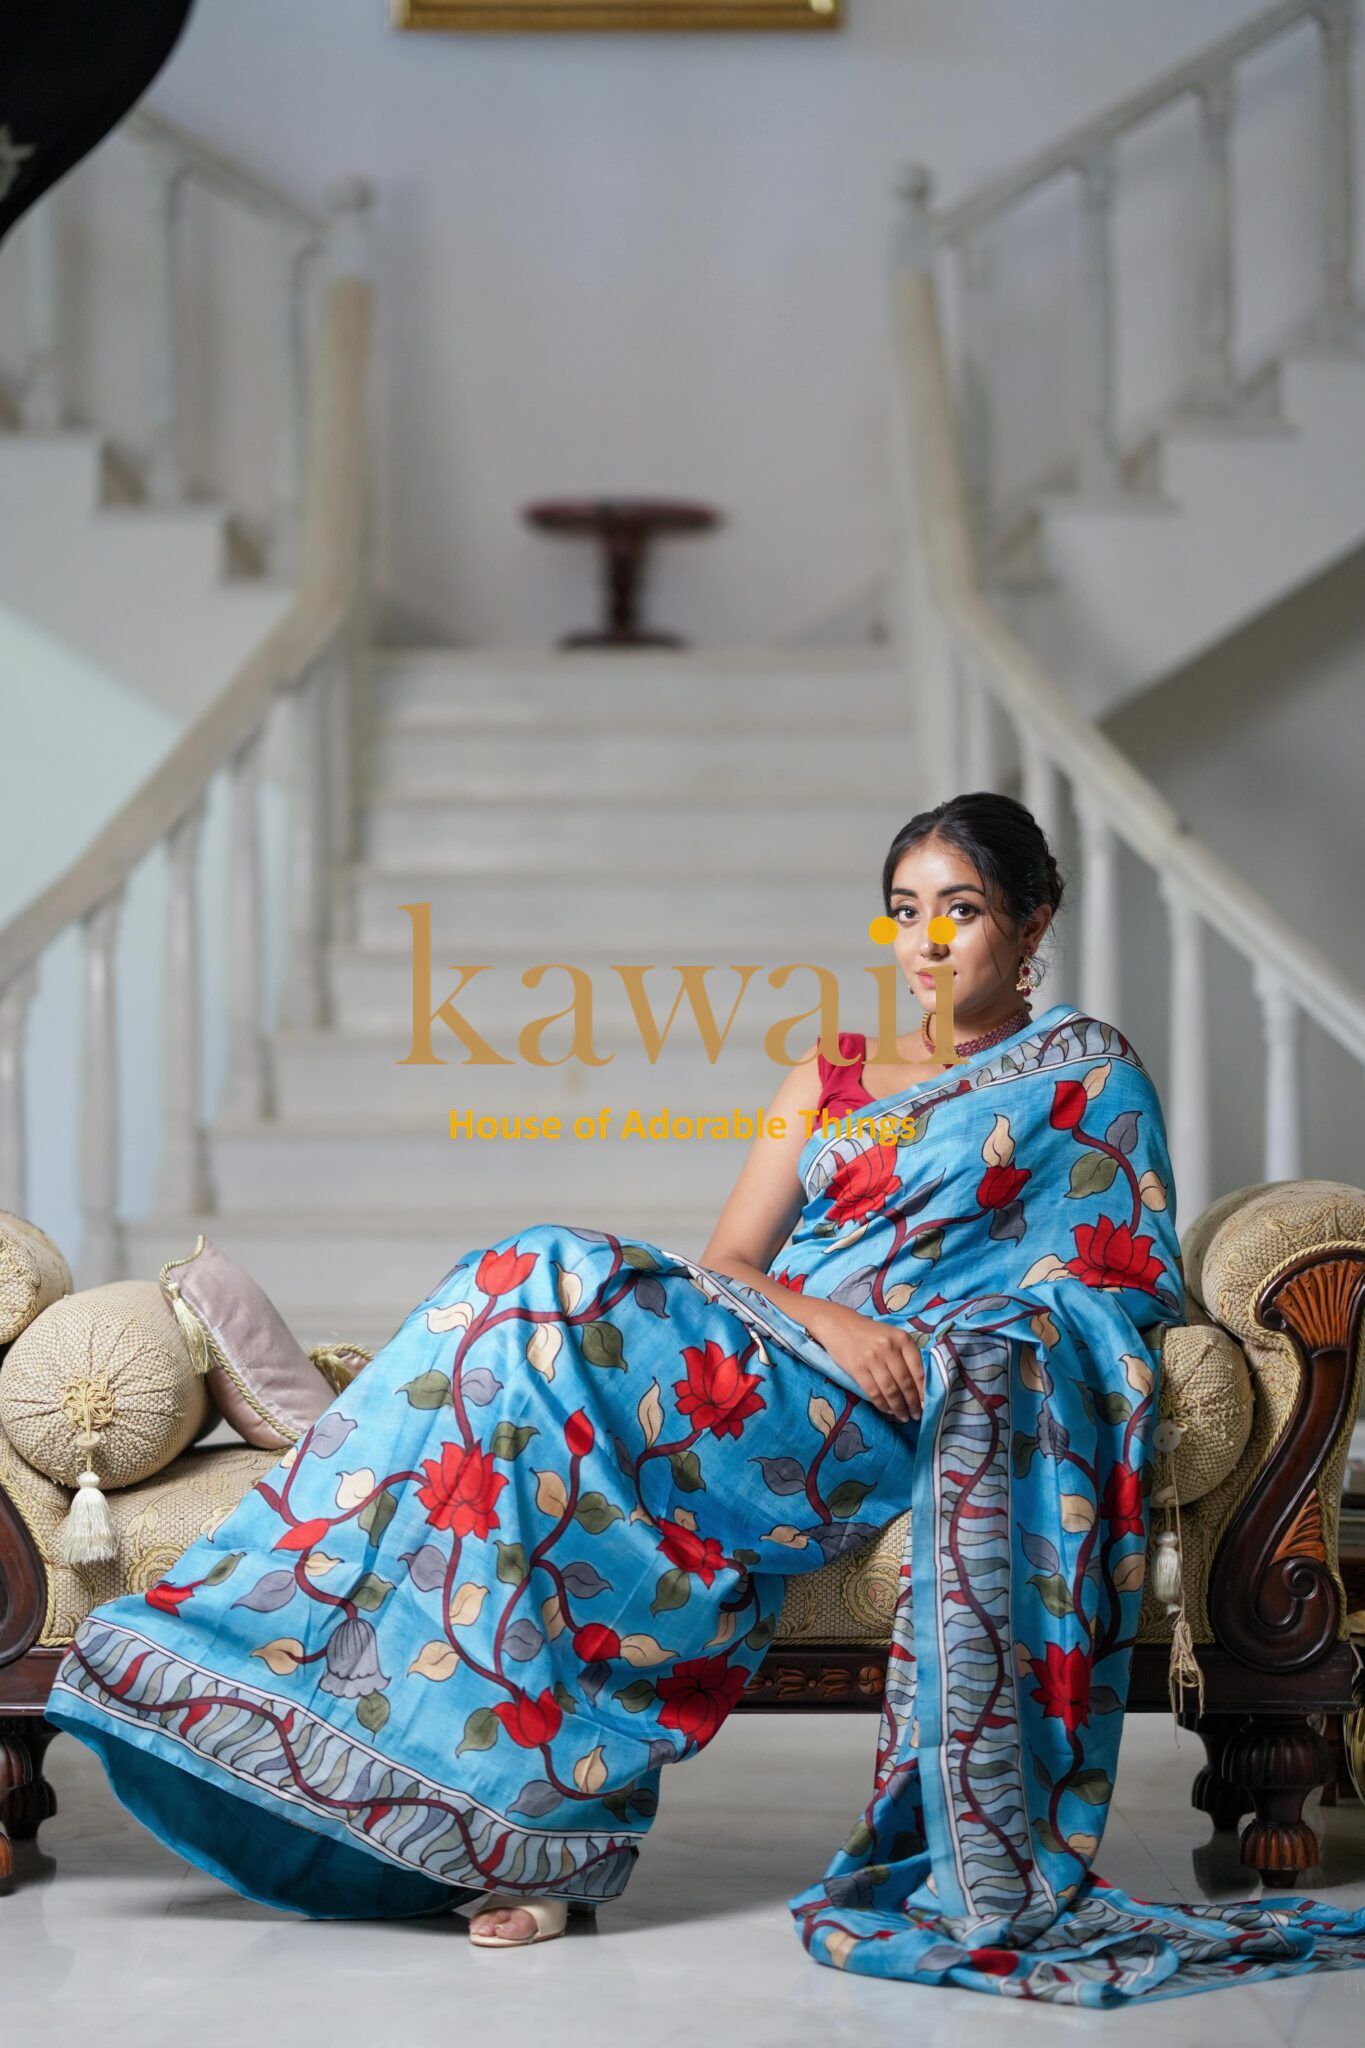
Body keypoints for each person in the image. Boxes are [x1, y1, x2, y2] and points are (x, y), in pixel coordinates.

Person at [46, 792, 1365, 1999]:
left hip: (896, 1404)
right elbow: (733, 1263)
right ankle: (497, 1807)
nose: (923, 944)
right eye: (902, 913)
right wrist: (836, 1319)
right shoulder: (830, 1077)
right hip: (790, 1348)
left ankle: (512, 1807)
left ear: (1031, 923)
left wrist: (945, 1344)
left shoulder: (1091, 1077)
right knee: (523, 1284)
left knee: (539, 1287)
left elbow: (1111, 1293)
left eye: (955, 911)